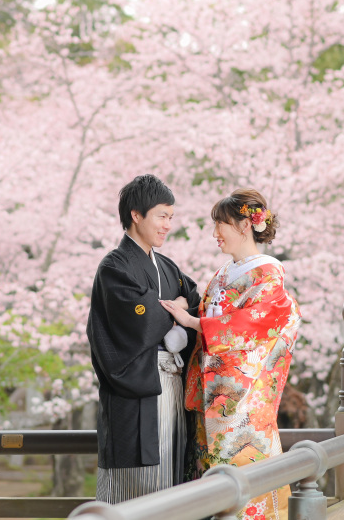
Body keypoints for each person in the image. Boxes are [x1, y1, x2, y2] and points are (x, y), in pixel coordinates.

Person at [162, 188, 301, 520]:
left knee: (242, 476)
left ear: (244, 225)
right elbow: (212, 312)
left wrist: (194, 321)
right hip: (213, 392)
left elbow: (253, 326)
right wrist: (188, 307)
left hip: (241, 399)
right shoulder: (227, 272)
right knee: (208, 479)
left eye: (220, 224)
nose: (214, 234)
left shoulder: (268, 274)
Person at [86, 174, 201, 504]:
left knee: (170, 479)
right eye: (162, 216)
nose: (168, 225)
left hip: (171, 383)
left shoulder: (167, 267)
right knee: (134, 489)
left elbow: (193, 303)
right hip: (137, 389)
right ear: (136, 214)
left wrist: (179, 313)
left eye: (171, 217)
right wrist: (174, 311)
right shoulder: (115, 266)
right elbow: (141, 321)